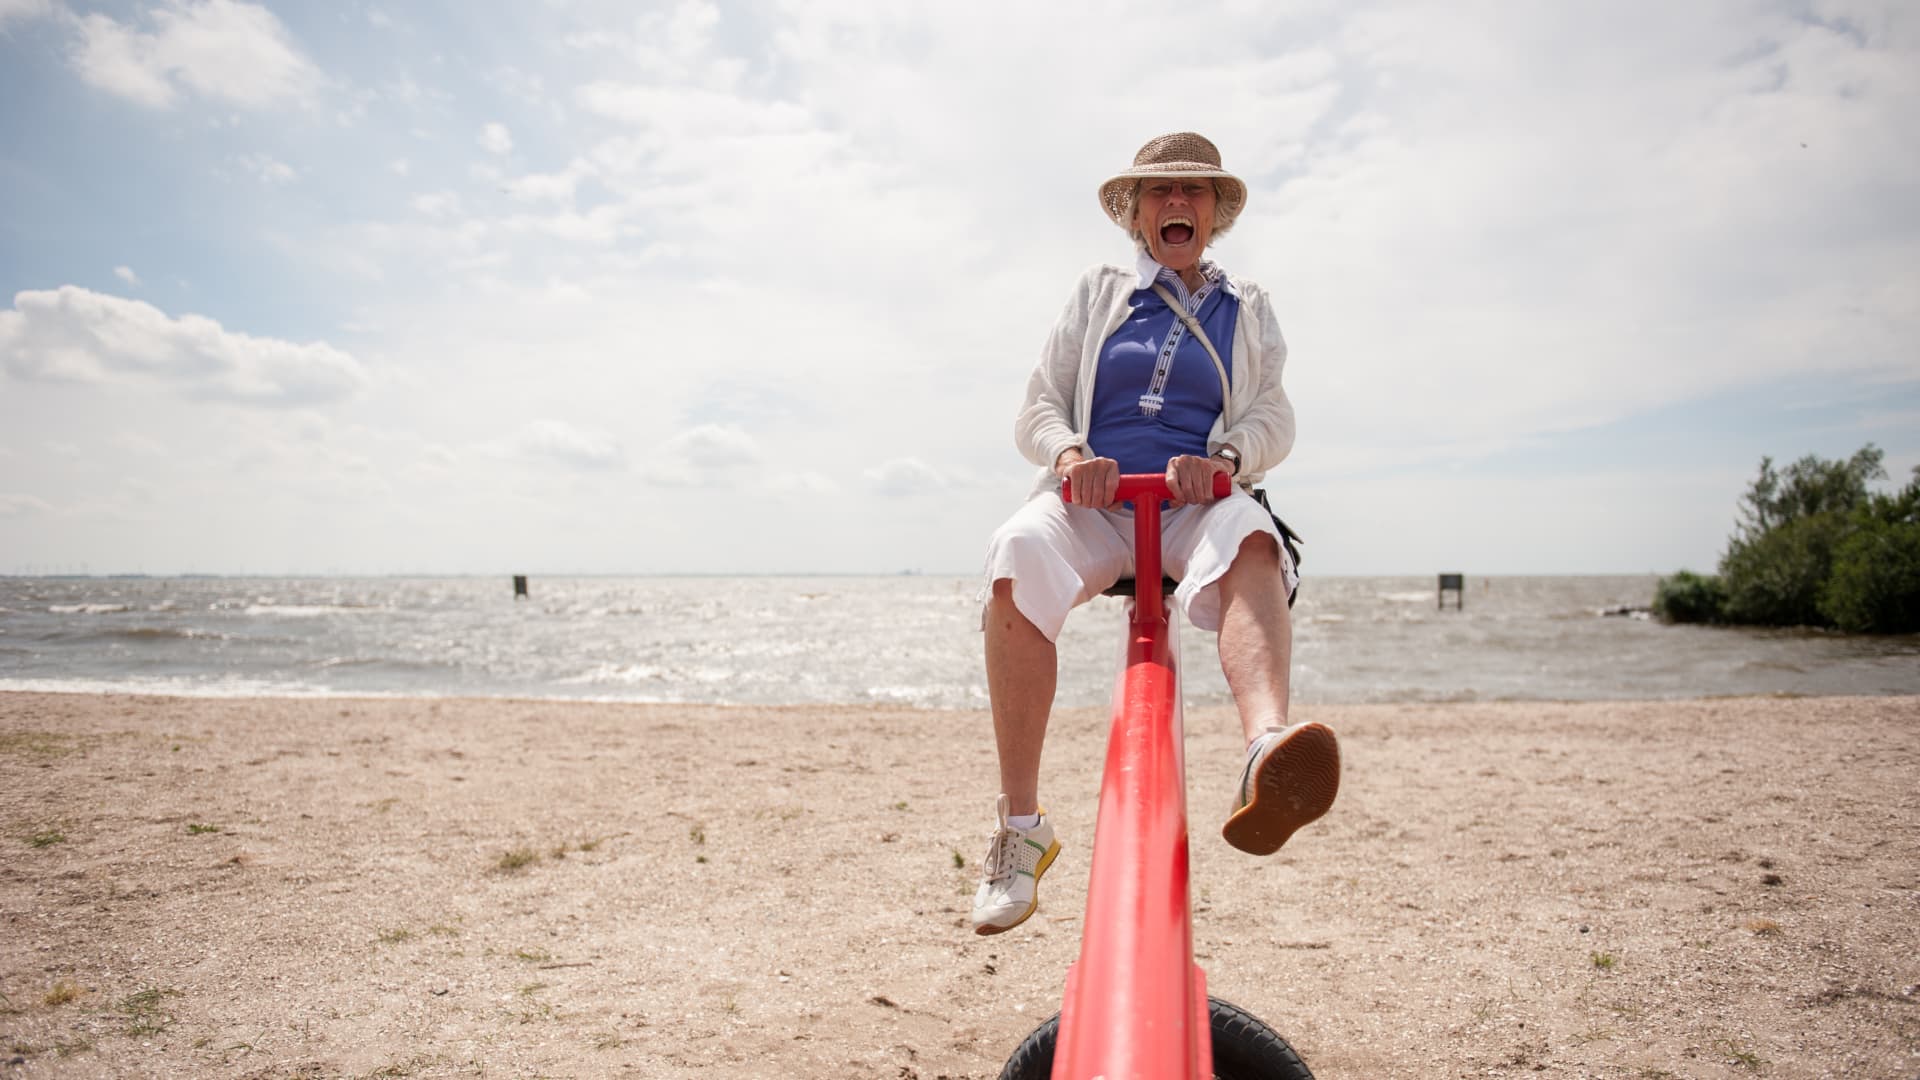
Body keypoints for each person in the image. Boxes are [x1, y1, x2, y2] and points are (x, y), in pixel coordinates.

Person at [972, 132, 1340, 936]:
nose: (1178, 202)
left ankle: (1262, 749)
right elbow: (1038, 404)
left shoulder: (1248, 306)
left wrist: (1227, 460)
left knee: (1252, 536)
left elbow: (1272, 414)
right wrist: (1071, 454)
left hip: (1193, 503)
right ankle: (1020, 828)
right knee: (1015, 552)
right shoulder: (1099, 291)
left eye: (1195, 192)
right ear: (1136, 214)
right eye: (1160, 192)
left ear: (1214, 214)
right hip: (1095, 504)